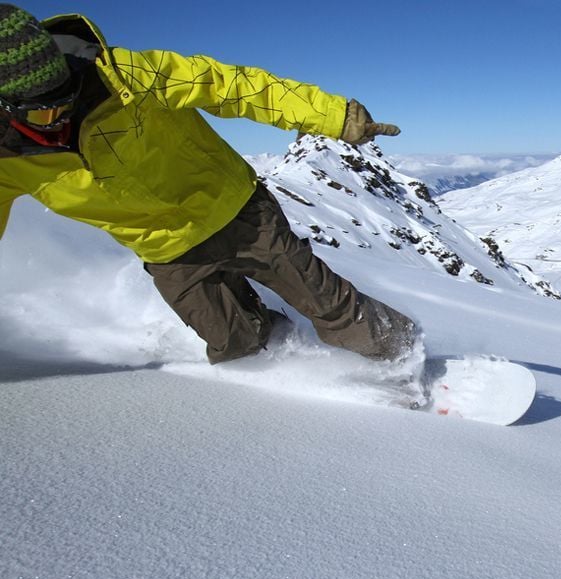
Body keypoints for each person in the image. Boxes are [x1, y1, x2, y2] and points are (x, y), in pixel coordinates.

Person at [0, 5, 418, 365]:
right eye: (42, 113)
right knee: (234, 345)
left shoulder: (125, 77)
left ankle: (402, 360)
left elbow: (232, 86)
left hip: (236, 210)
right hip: (168, 250)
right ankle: (286, 371)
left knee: (329, 304)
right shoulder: (5, 160)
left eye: (66, 93)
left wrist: (331, 115)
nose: (62, 114)